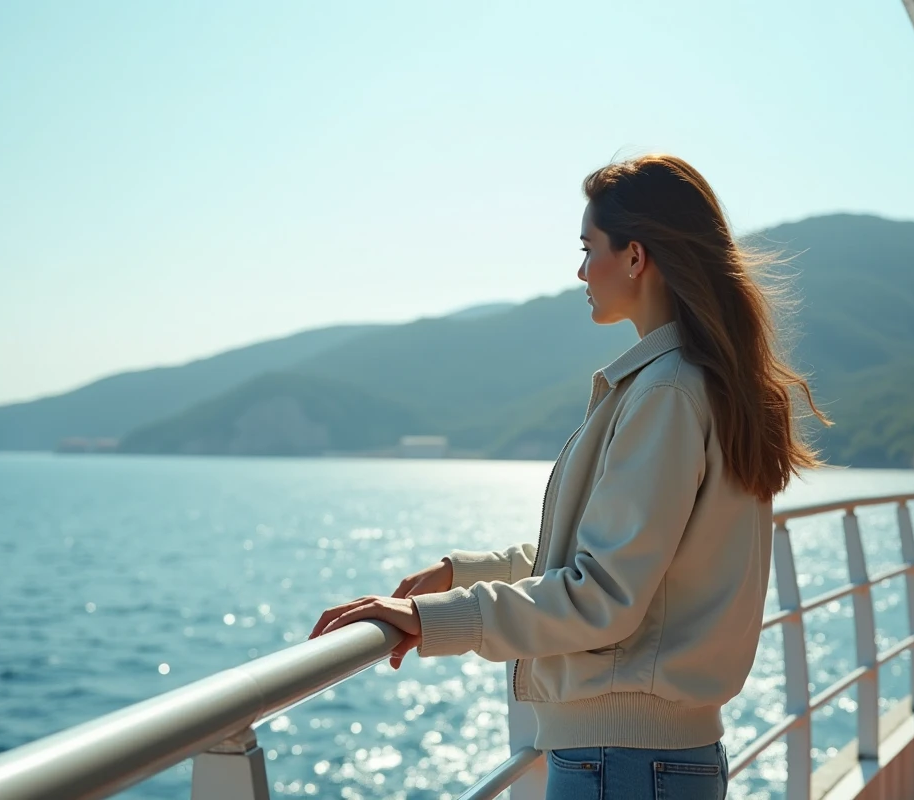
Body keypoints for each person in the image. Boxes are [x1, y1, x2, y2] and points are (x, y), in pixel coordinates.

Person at [310, 154, 828, 799]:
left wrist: (434, 618)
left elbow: (604, 594)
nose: (581, 271)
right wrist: (466, 574)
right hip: (659, 759)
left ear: (635, 257)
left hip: (622, 765)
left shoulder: (665, 391)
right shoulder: (701, 383)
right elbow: (633, 559)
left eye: (590, 249)